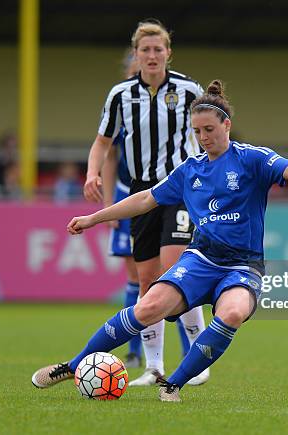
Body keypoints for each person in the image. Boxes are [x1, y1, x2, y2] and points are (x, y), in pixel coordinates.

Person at [32, 80, 288, 402]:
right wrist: (94, 218)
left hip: (241, 266)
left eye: (209, 129)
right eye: (197, 131)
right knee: (148, 306)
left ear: (227, 125)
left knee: (233, 313)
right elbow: (145, 200)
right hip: (200, 259)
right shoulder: (190, 169)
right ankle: (73, 365)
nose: (203, 137)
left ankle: (173, 384)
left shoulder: (251, 158)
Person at [82, 20, 208, 386]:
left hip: (182, 187)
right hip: (142, 193)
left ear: (168, 53)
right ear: (136, 55)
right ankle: (154, 367)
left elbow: (211, 130)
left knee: (175, 272)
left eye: (158, 50)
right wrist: (93, 174)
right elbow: (102, 143)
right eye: (145, 50)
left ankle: (198, 359)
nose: (151, 56)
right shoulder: (120, 94)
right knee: (146, 280)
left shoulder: (188, 90)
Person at [102, 51, 193, 369]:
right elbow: (108, 155)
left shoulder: (177, 98)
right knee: (140, 278)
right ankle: (141, 356)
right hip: (132, 196)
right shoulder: (122, 103)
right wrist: (108, 204)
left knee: (173, 276)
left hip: (168, 191)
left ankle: (191, 353)